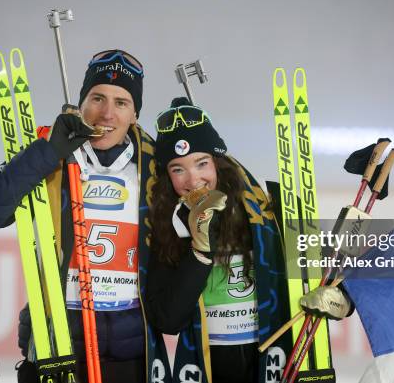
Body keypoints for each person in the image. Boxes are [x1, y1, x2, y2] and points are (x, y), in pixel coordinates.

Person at [0, 49, 156, 383]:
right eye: (97, 98)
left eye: (121, 103)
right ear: (81, 104)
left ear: (135, 113)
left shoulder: (156, 168)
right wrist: (48, 153)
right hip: (55, 349)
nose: (106, 114)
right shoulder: (51, 153)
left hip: (130, 358)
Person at [145, 98, 354, 383]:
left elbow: (331, 272)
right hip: (209, 366)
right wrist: (199, 252)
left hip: (273, 362)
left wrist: (343, 300)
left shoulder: (269, 211)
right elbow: (167, 320)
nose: (193, 180)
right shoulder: (171, 228)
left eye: (201, 163)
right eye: (178, 169)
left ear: (219, 164)